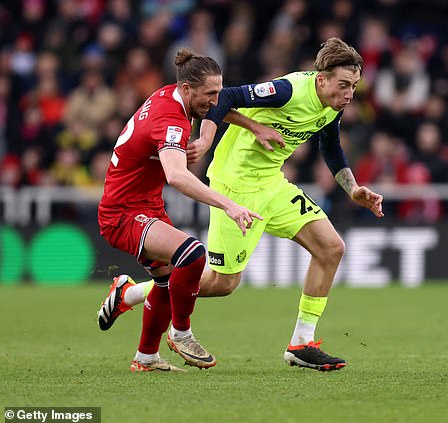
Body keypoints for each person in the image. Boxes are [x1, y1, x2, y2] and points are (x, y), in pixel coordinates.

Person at [99, 38, 384, 371]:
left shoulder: (333, 104)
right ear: (322, 79)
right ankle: (131, 294)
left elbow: (331, 146)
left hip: (272, 184)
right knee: (223, 284)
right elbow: (230, 97)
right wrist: (205, 138)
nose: (349, 94)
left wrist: (352, 189)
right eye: (344, 85)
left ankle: (301, 343)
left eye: (354, 86)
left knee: (331, 248)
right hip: (235, 185)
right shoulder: (288, 90)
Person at [97, 47, 263, 372]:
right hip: (123, 214)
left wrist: (245, 129)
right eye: (210, 94)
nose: (216, 101)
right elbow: (176, 176)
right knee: (192, 254)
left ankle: (146, 357)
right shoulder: (171, 118)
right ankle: (181, 332)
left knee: (166, 281)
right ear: (188, 89)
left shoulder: (172, 97)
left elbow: (218, 111)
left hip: (146, 205)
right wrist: (229, 205)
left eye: (219, 91)